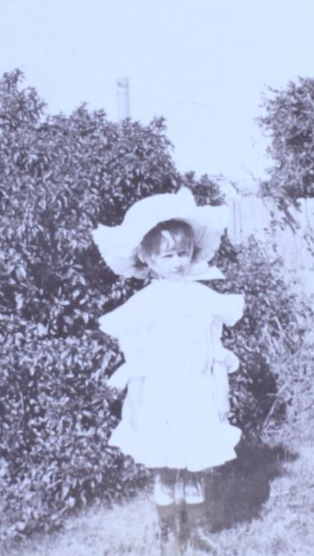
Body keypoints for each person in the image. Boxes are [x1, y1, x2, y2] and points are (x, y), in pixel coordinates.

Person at [92, 188, 244, 555]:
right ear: (148, 258)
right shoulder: (143, 305)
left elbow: (214, 352)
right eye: (168, 255)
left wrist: (221, 396)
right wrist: (135, 405)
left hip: (196, 394)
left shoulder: (204, 299)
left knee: (194, 468)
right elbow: (137, 360)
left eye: (183, 254)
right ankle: (168, 533)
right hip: (159, 397)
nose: (177, 263)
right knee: (162, 468)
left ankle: (196, 531)